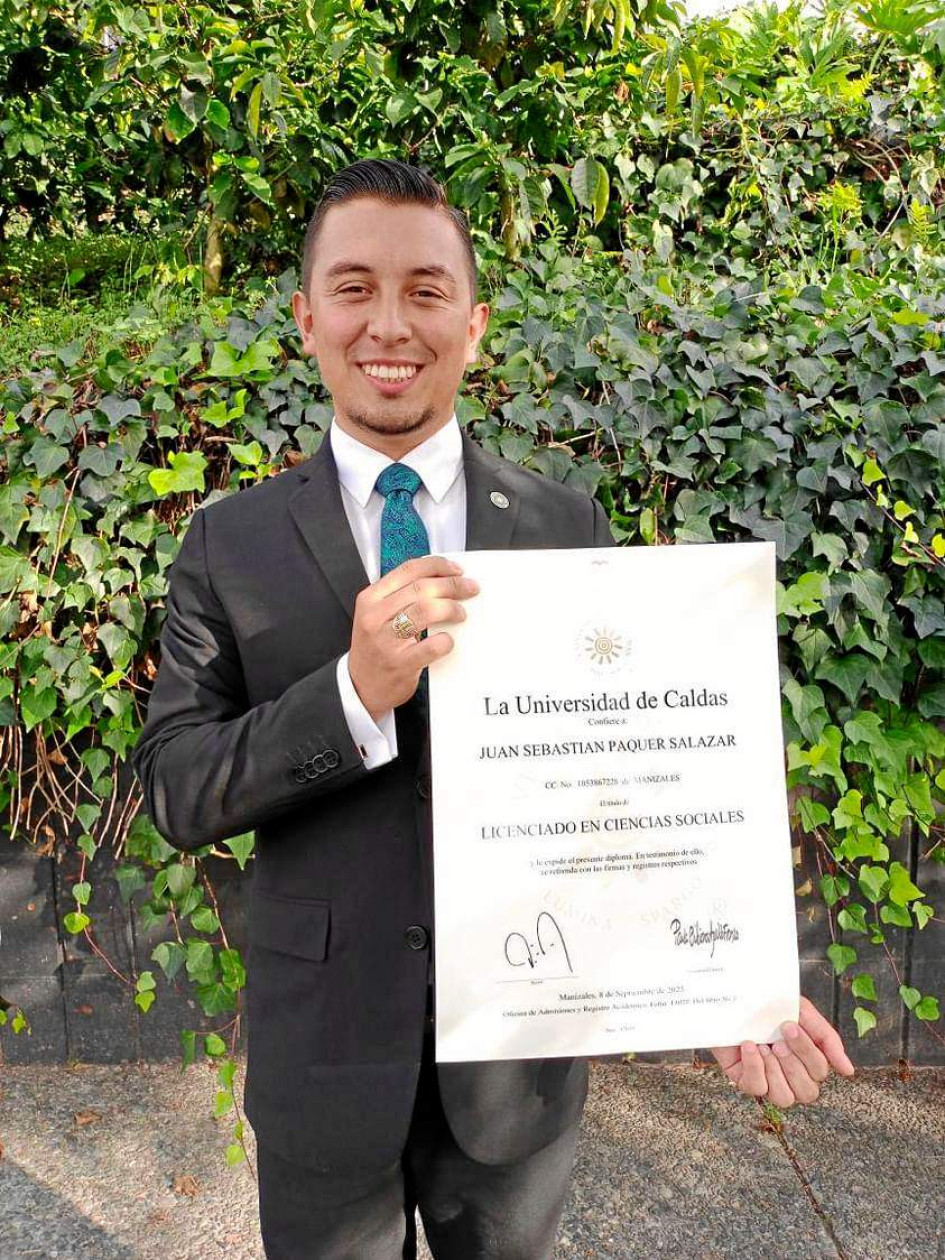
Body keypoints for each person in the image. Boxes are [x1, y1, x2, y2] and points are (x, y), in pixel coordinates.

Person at [132, 158, 855, 1260]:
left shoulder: (565, 523)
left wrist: (717, 987)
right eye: (354, 286)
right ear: (307, 316)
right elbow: (180, 788)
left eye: (425, 291)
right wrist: (352, 694)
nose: (390, 323)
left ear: (473, 325)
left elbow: (624, 780)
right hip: (324, 1054)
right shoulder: (227, 545)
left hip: (518, 1075)